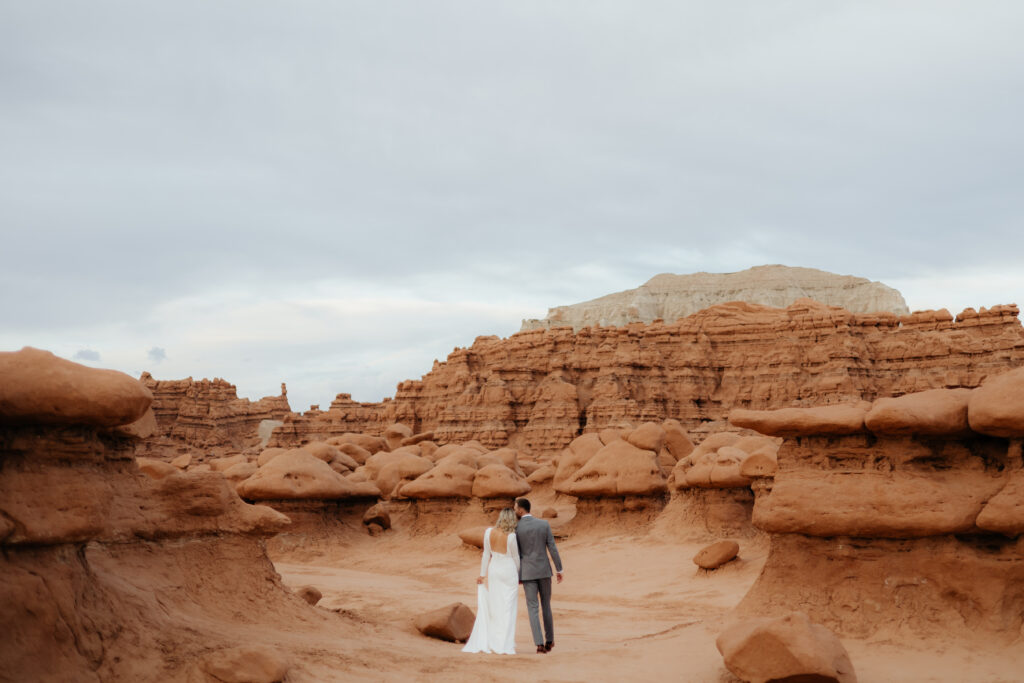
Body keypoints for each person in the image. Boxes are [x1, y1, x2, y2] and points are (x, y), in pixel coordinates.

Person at [462, 508, 521, 655]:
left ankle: (495, 640)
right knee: (508, 607)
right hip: (509, 570)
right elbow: (515, 558)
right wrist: (519, 574)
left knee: (496, 605)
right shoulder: (512, 536)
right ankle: (505, 643)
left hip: (494, 569)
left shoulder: (489, 532)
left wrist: (482, 574)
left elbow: (485, 555)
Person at [514, 497, 563, 654]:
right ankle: (550, 640)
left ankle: (539, 644)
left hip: (527, 572)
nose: (514, 510)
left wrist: (515, 574)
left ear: (521, 510)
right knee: (546, 605)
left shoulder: (516, 528)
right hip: (544, 570)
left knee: (532, 608)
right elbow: (552, 548)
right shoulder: (543, 524)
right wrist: (559, 569)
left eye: (515, 508)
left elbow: (516, 553)